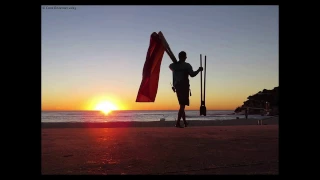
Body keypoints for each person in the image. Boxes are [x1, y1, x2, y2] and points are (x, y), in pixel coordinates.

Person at [169, 51, 203, 128]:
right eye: (185, 56)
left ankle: (185, 122)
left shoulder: (173, 66)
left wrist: (177, 63)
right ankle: (177, 123)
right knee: (182, 105)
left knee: (182, 105)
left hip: (177, 87)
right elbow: (192, 74)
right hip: (184, 87)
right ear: (184, 57)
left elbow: (170, 66)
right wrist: (199, 70)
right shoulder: (187, 66)